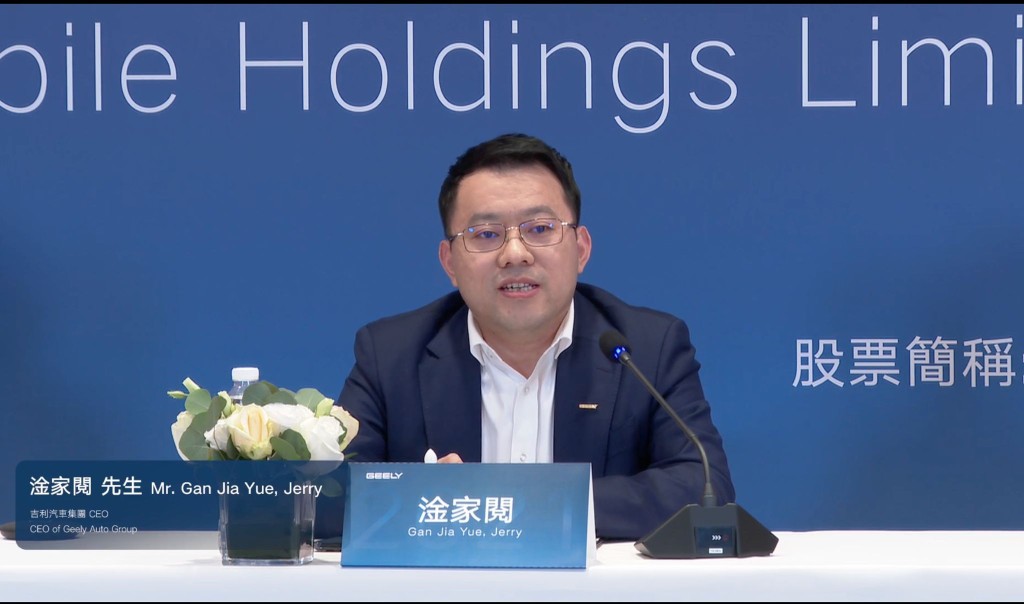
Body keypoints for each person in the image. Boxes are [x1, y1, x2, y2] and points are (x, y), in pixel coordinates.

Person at [336, 132, 734, 540]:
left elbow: (705, 487)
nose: (515, 254)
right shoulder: (391, 356)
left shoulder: (647, 349)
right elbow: (330, 498)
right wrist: (422, 499)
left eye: (540, 228)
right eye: (486, 234)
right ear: (449, 262)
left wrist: (536, 503)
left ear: (581, 249)